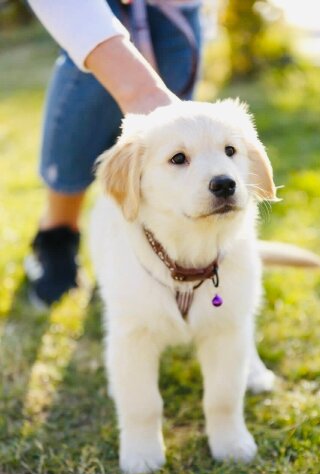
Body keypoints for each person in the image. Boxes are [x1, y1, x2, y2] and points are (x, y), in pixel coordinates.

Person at [25, 0, 202, 306]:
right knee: (88, 102)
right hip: (98, 9)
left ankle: (156, 255)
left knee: (172, 163)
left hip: (177, 9)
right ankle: (56, 235)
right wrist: (142, 93)